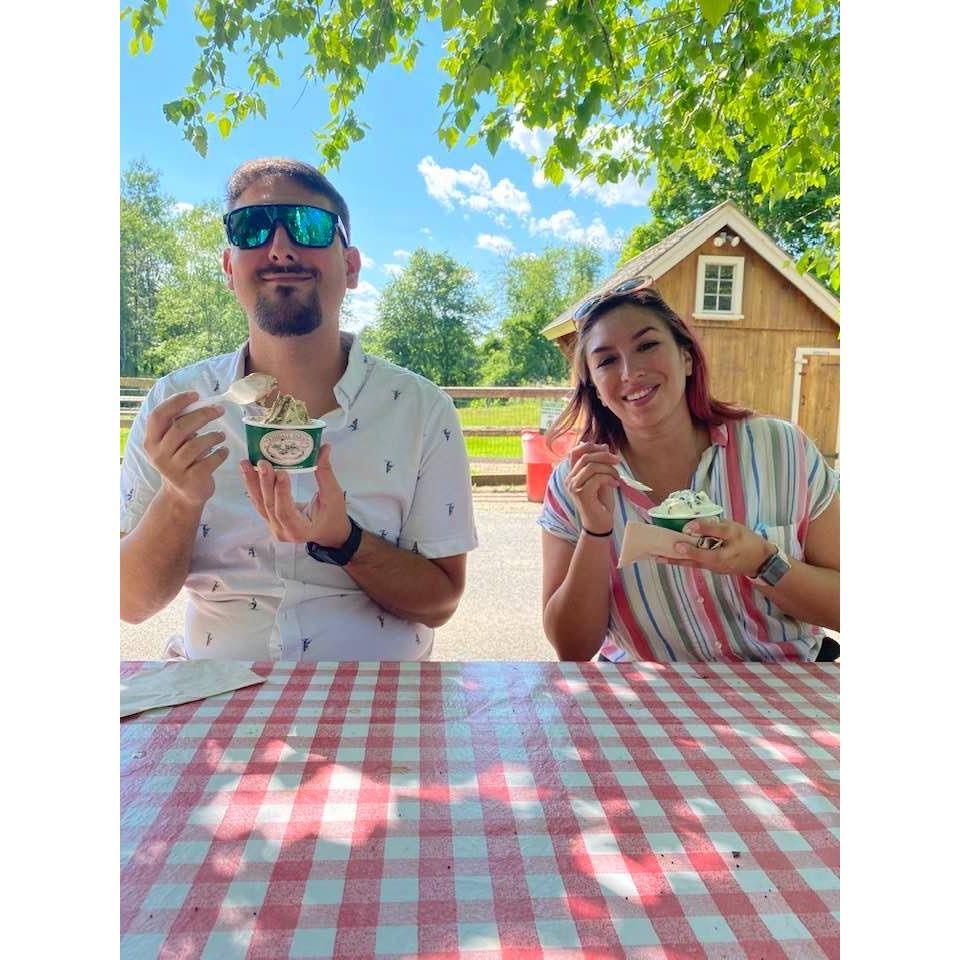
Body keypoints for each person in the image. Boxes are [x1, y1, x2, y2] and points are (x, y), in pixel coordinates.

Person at [120, 157, 478, 660]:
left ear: (350, 267)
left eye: (308, 227)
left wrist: (343, 540)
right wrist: (179, 498)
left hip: (376, 705)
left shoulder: (421, 410)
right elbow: (129, 602)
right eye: (252, 228)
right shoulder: (177, 408)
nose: (281, 248)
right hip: (217, 700)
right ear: (229, 267)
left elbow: (440, 601)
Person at [538, 278, 839, 663]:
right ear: (595, 387)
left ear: (687, 358)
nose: (630, 371)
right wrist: (596, 530)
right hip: (649, 701)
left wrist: (762, 561)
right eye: (607, 361)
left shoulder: (782, 449)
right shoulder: (574, 484)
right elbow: (571, 647)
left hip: (782, 689)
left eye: (647, 345)